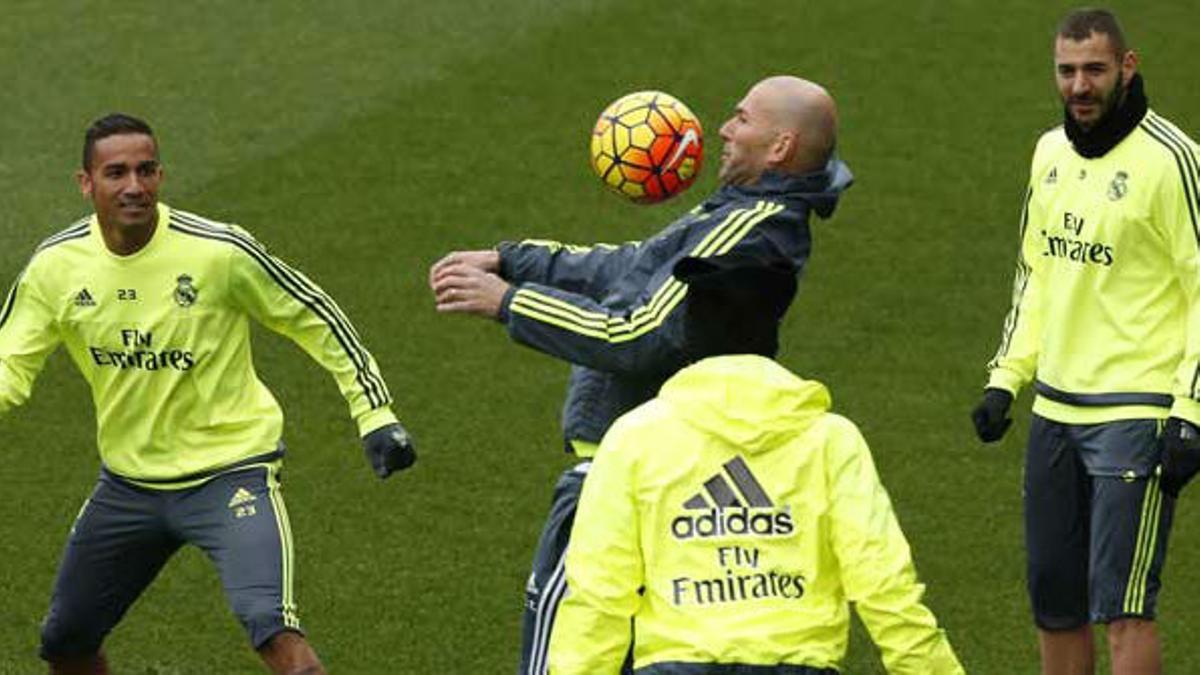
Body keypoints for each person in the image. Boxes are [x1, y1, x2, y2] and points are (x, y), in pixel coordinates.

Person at [430, 75, 852, 674]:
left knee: (559, 654)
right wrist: (515, 260)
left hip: (623, 478)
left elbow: (633, 335)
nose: (724, 130)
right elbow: (632, 266)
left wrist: (507, 301)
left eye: (742, 118)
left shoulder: (748, 228)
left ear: (780, 146)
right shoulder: (740, 213)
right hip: (659, 475)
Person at [0, 113, 416, 675]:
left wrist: (375, 413)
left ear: (161, 175)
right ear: (85, 183)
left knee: (273, 631)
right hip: (128, 485)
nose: (134, 187)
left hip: (230, 473)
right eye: (116, 172)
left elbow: (315, 316)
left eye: (146, 171)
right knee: (66, 641)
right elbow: (7, 365)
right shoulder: (56, 267)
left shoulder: (217, 252)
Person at [548, 253, 963, 674]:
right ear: (771, 337)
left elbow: (598, 592)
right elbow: (884, 582)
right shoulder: (830, 439)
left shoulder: (634, 438)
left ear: (690, 337)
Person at [971, 8, 1200, 674]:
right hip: (1054, 411)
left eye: (1094, 69)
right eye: (1067, 71)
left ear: (1127, 67)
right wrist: (1004, 377)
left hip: (1136, 410)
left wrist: (1190, 410)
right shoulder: (1048, 152)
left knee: (1125, 607)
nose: (1079, 86)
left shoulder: (1173, 161)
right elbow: (1034, 274)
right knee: (1056, 602)